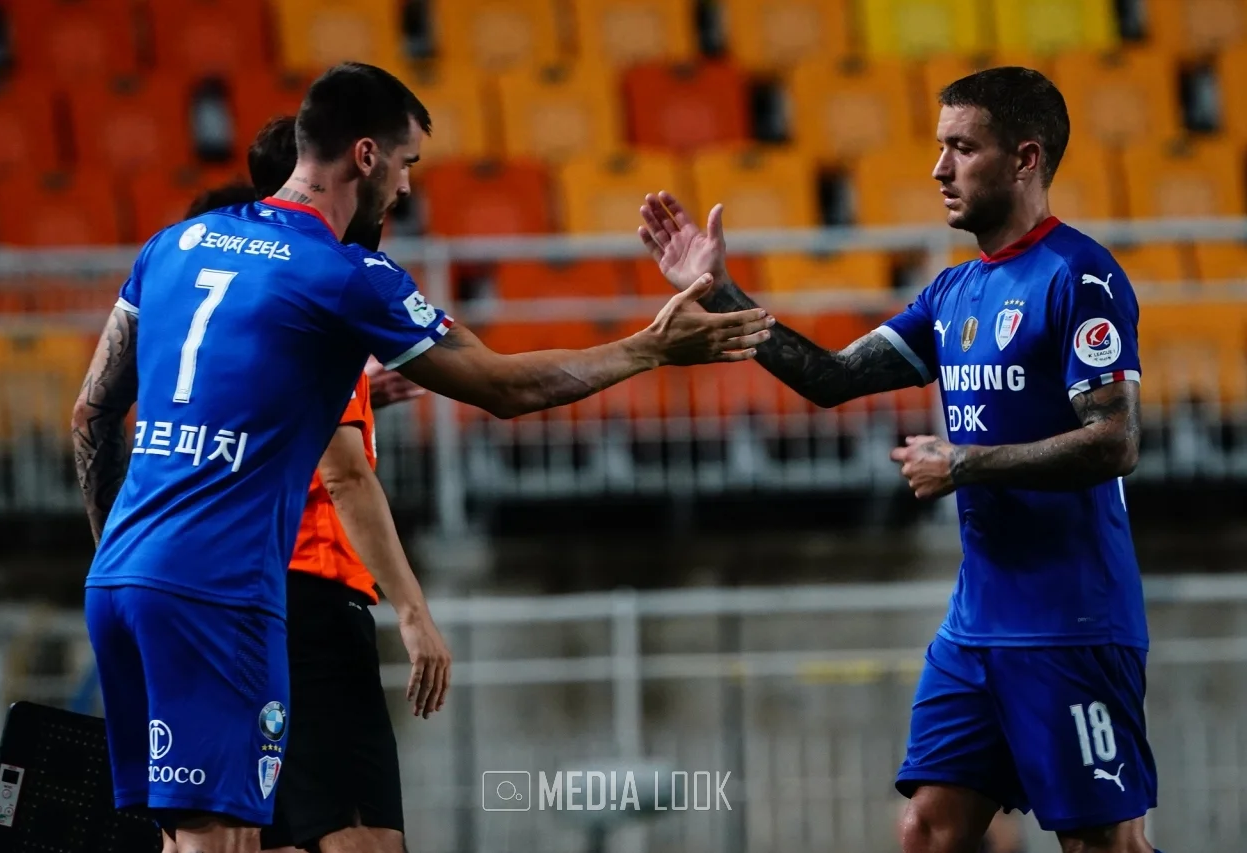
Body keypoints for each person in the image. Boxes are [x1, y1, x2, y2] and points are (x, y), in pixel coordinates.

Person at [72, 62, 774, 853]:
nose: (406, 187)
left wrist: (119, 554)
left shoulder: (171, 245)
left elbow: (91, 411)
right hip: (222, 591)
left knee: (184, 837)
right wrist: (651, 347)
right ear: (365, 156)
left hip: (122, 577)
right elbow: (505, 387)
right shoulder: (344, 275)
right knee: (222, 843)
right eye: (406, 163)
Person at [636, 67, 1161, 853]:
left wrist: (966, 464)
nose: (939, 169)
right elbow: (830, 377)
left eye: (962, 148)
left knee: (1101, 847)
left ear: (1025, 158)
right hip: (976, 626)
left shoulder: (1079, 276)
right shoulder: (952, 293)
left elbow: (1117, 439)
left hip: (1072, 623)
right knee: (926, 831)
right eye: (939, 147)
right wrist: (720, 293)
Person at [168, 119, 441, 853]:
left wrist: (358, 393)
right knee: (360, 834)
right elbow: (343, 475)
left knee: (248, 835)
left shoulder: (205, 295)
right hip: (307, 591)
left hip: (204, 588)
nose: (398, 189)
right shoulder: (317, 286)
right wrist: (413, 611)